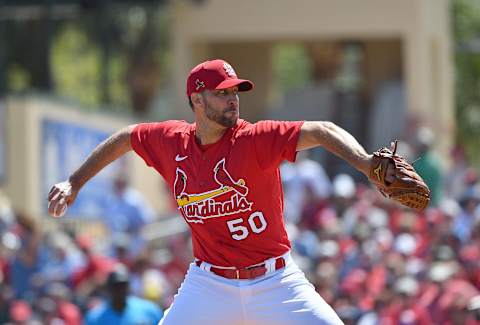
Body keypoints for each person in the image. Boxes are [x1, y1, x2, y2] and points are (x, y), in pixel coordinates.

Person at [48, 59, 396, 324]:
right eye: (222, 92)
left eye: (234, 92)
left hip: (275, 279)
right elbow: (126, 137)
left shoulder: (253, 139)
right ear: (197, 99)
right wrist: (74, 182)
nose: (233, 99)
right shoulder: (172, 142)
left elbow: (322, 130)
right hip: (209, 283)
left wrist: (366, 163)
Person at [85, 264, 163, 325]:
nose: (120, 290)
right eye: (116, 286)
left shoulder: (150, 310)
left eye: (123, 285)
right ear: (108, 288)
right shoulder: (95, 317)